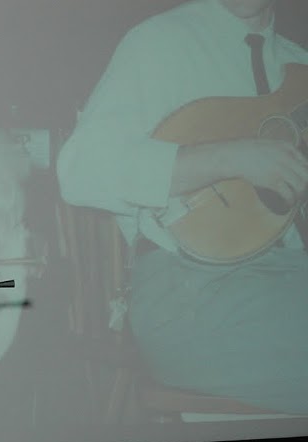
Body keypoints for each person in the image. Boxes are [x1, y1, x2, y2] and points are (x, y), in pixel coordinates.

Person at [57, 0, 308, 414]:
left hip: (290, 279)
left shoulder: (299, 66)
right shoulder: (158, 43)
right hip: (191, 292)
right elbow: (81, 170)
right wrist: (231, 158)